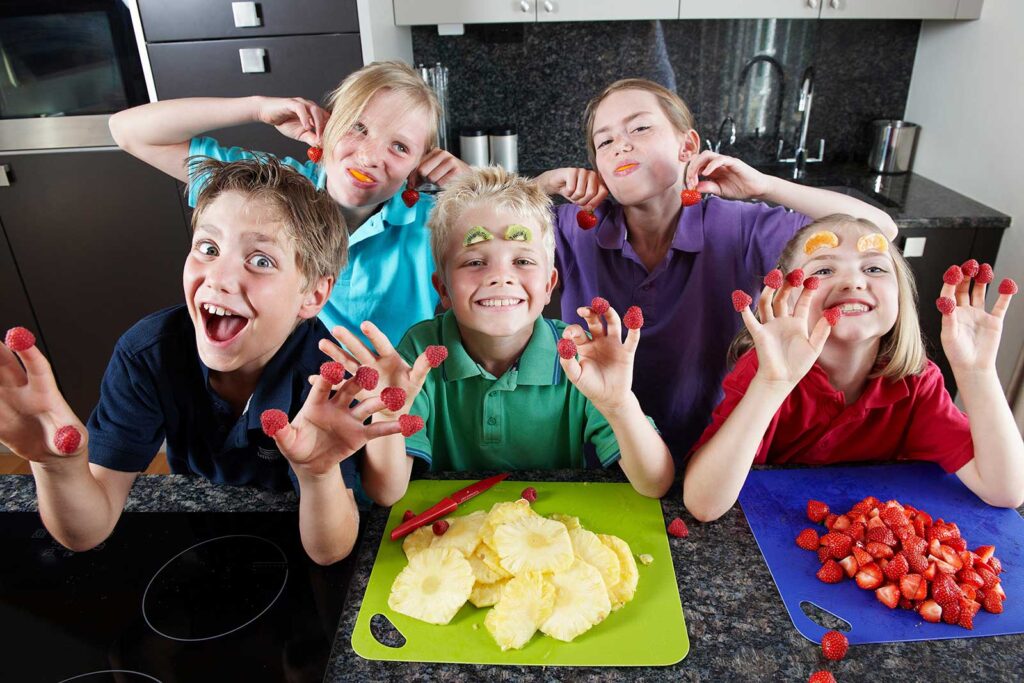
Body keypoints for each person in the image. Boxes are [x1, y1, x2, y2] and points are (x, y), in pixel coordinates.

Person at [0, 157, 402, 564]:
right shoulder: (149, 354)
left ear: (313, 295)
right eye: (208, 248)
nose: (219, 277)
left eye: (260, 260)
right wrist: (55, 464)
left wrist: (317, 475)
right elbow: (87, 531)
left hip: (300, 536)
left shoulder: (327, 378)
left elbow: (329, 551)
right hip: (201, 535)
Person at [535, 78, 899, 463]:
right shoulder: (574, 226)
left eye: (639, 127)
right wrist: (538, 188)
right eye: (604, 141)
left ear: (688, 147)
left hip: (714, 449)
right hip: (602, 448)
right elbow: (473, 235)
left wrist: (764, 185)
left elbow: (880, 230)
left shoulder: (739, 225)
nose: (620, 144)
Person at [320, 167, 674, 505]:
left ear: (549, 284)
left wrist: (618, 403)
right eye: (475, 262)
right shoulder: (420, 353)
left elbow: (655, 482)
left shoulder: (576, 354)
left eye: (522, 261)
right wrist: (386, 415)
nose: (500, 277)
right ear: (443, 289)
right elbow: (386, 493)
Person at [684, 214, 1024, 522]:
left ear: (900, 294)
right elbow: (703, 504)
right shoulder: (764, 371)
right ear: (784, 297)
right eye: (823, 270)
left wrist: (978, 374)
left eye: (874, 268)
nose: (853, 282)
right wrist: (772, 384)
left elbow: (1006, 491)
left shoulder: (917, 383)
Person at [109, 60, 468, 346]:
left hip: (393, 408)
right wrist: (256, 107)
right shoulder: (270, 188)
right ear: (329, 125)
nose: (370, 157)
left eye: (400, 147)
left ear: (418, 166)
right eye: (358, 127)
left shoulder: (437, 223)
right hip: (285, 401)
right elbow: (129, 131)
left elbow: (523, 241)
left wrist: (478, 191)